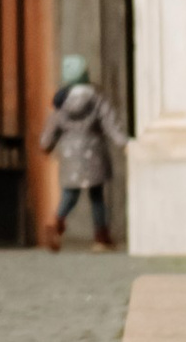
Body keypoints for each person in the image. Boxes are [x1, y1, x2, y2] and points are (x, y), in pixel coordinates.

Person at [38, 54, 125, 249]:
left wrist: (46, 144)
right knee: (97, 196)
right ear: (86, 74)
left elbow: (53, 125)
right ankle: (101, 238)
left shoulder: (61, 101)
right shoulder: (96, 98)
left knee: (70, 193)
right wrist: (123, 142)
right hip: (93, 151)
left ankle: (56, 221)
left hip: (70, 154)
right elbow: (109, 121)